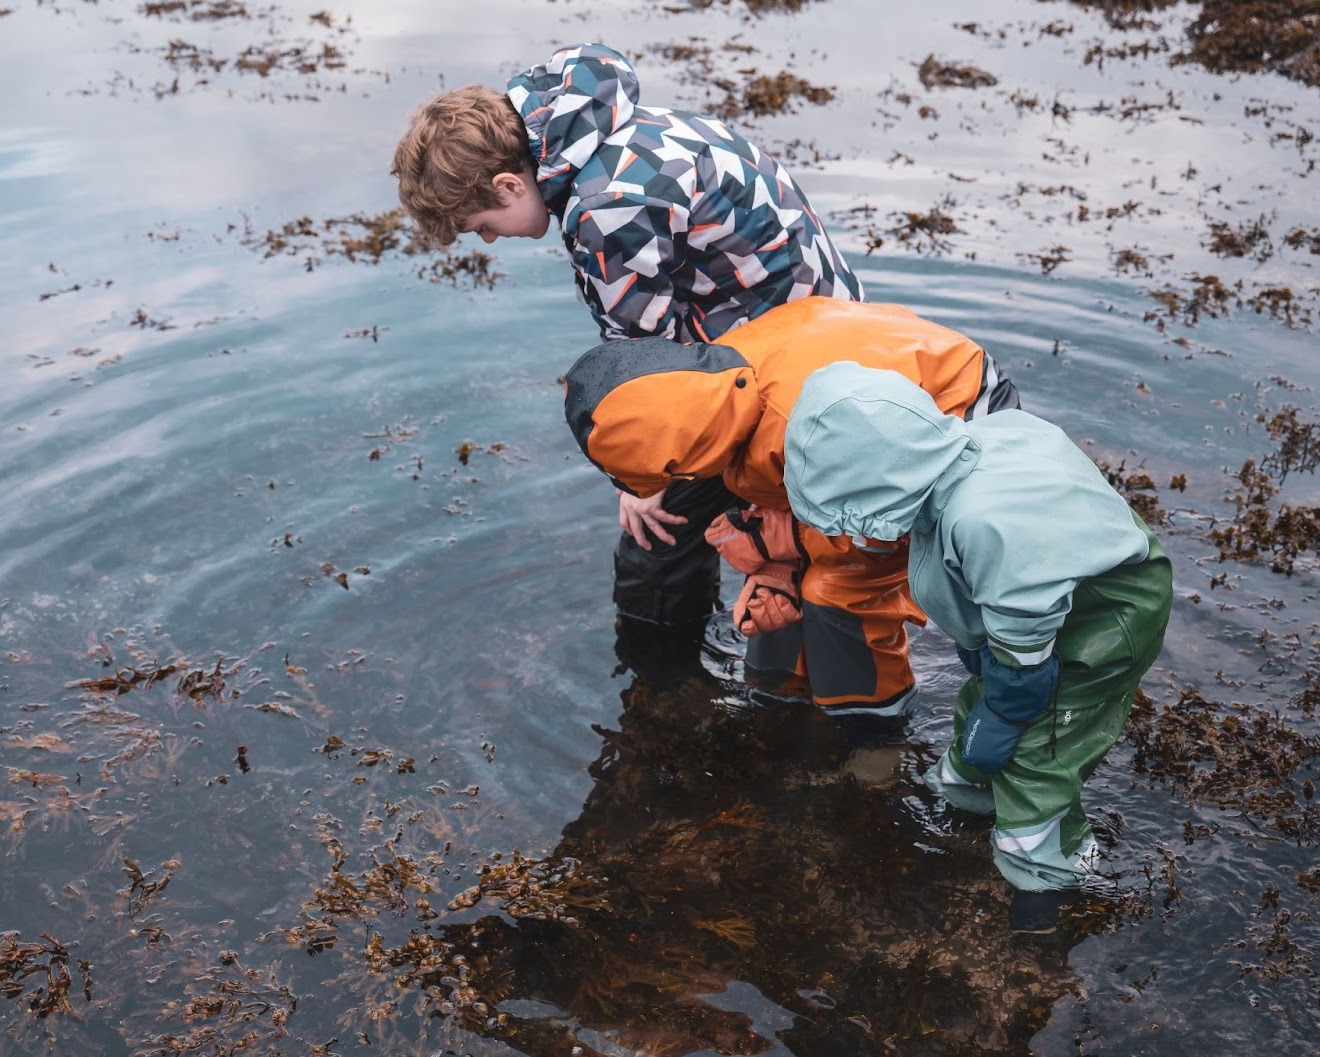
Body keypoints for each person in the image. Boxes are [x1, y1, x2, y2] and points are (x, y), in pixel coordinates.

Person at [391, 42, 870, 693]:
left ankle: (663, 695)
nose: (489, 240)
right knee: (780, 530)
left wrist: (641, 479)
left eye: (482, 225)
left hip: (794, 374)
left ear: (508, 184)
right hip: (826, 332)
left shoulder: (606, 207)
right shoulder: (613, 132)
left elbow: (645, 372)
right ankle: (786, 678)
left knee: (656, 538)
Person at [781, 362, 1172, 932]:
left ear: (881, 479)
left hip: (1103, 620)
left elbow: (1025, 639)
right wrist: (991, 688)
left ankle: (1050, 878)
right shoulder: (972, 448)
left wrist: (1010, 705)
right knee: (985, 709)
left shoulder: (986, 521)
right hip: (1041, 602)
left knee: (1041, 745)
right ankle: (966, 796)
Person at [563, 296, 1019, 715]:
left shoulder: (797, 424)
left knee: (842, 590)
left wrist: (788, 564)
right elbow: (787, 488)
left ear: (682, 452)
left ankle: (872, 724)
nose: (679, 482)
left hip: (962, 407)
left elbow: (868, 532)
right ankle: (780, 691)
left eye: (672, 473)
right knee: (779, 579)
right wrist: (777, 561)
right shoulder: (718, 388)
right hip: (871, 395)